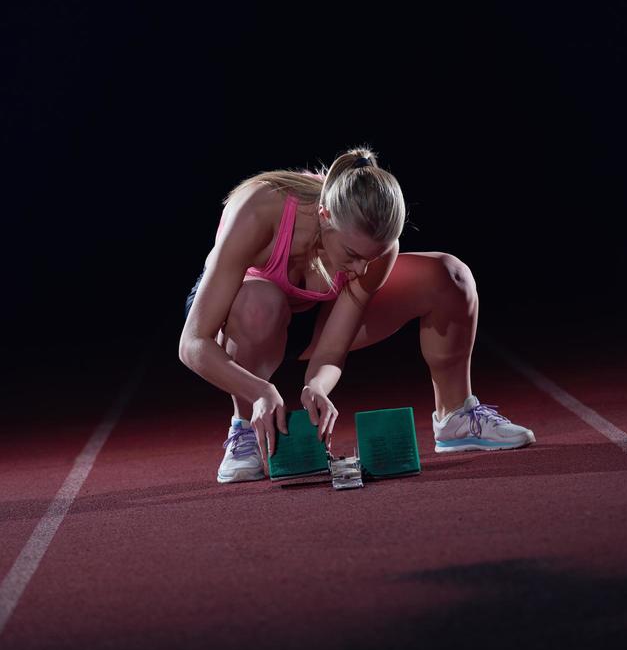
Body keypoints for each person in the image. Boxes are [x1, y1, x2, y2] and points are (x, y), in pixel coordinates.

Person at [178, 146, 535, 483]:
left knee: (450, 276)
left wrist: (316, 387)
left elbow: (332, 349)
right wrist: (258, 392)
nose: (362, 270)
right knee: (261, 304)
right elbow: (192, 343)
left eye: (372, 257)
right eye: (352, 254)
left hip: (311, 320)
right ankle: (244, 428)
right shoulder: (259, 210)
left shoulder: (373, 253)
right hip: (245, 320)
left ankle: (456, 417)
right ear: (325, 216)